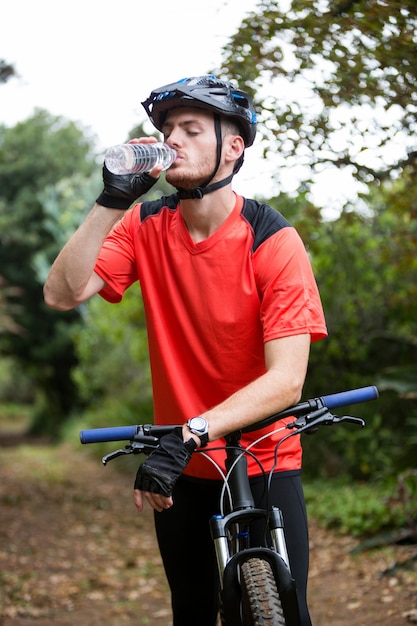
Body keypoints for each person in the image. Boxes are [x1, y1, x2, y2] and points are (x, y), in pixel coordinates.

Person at [44, 75, 327, 626]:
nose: (173, 139)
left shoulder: (273, 240)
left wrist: (192, 430)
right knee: (192, 611)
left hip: (264, 457)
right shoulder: (145, 225)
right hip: (183, 470)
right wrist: (111, 201)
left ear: (234, 147)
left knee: (289, 612)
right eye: (167, 129)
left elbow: (286, 380)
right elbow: (61, 293)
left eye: (191, 129)